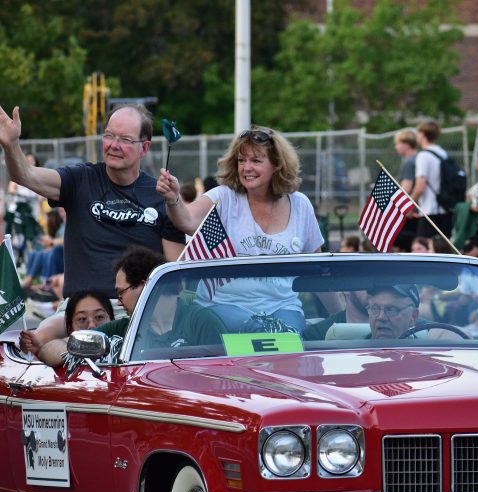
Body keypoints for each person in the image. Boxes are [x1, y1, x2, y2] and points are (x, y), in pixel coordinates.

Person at [0, 102, 186, 349]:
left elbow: (174, 277)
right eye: (109, 135)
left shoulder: (162, 196)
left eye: (124, 139)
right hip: (78, 310)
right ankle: (48, 344)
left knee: (64, 349)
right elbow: (25, 175)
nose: (113, 145)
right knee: (47, 344)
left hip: (137, 312)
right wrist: (11, 145)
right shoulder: (80, 179)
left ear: (145, 147)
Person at [156, 125, 325, 333]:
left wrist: (342, 315)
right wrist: (173, 199)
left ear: (277, 165)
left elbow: (318, 270)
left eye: (256, 160)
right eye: (241, 160)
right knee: (260, 330)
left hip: (283, 307)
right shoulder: (224, 197)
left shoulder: (301, 204)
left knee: (288, 336)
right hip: (222, 306)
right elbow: (187, 220)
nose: (246, 168)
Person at [37, 246, 166, 366]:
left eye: (121, 293)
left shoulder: (186, 318)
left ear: (142, 287)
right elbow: (48, 350)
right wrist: (78, 350)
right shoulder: (122, 327)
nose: (119, 302)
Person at [410, 119, 451, 239]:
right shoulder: (443, 153)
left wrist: (410, 206)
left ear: (422, 134)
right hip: (445, 209)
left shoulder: (423, 156)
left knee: (425, 248)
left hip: (430, 210)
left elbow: (420, 186)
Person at [393, 128, 419, 251]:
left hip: (410, 213)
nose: (396, 147)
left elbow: (406, 189)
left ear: (406, 144)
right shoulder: (419, 158)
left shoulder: (409, 162)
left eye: (398, 143)